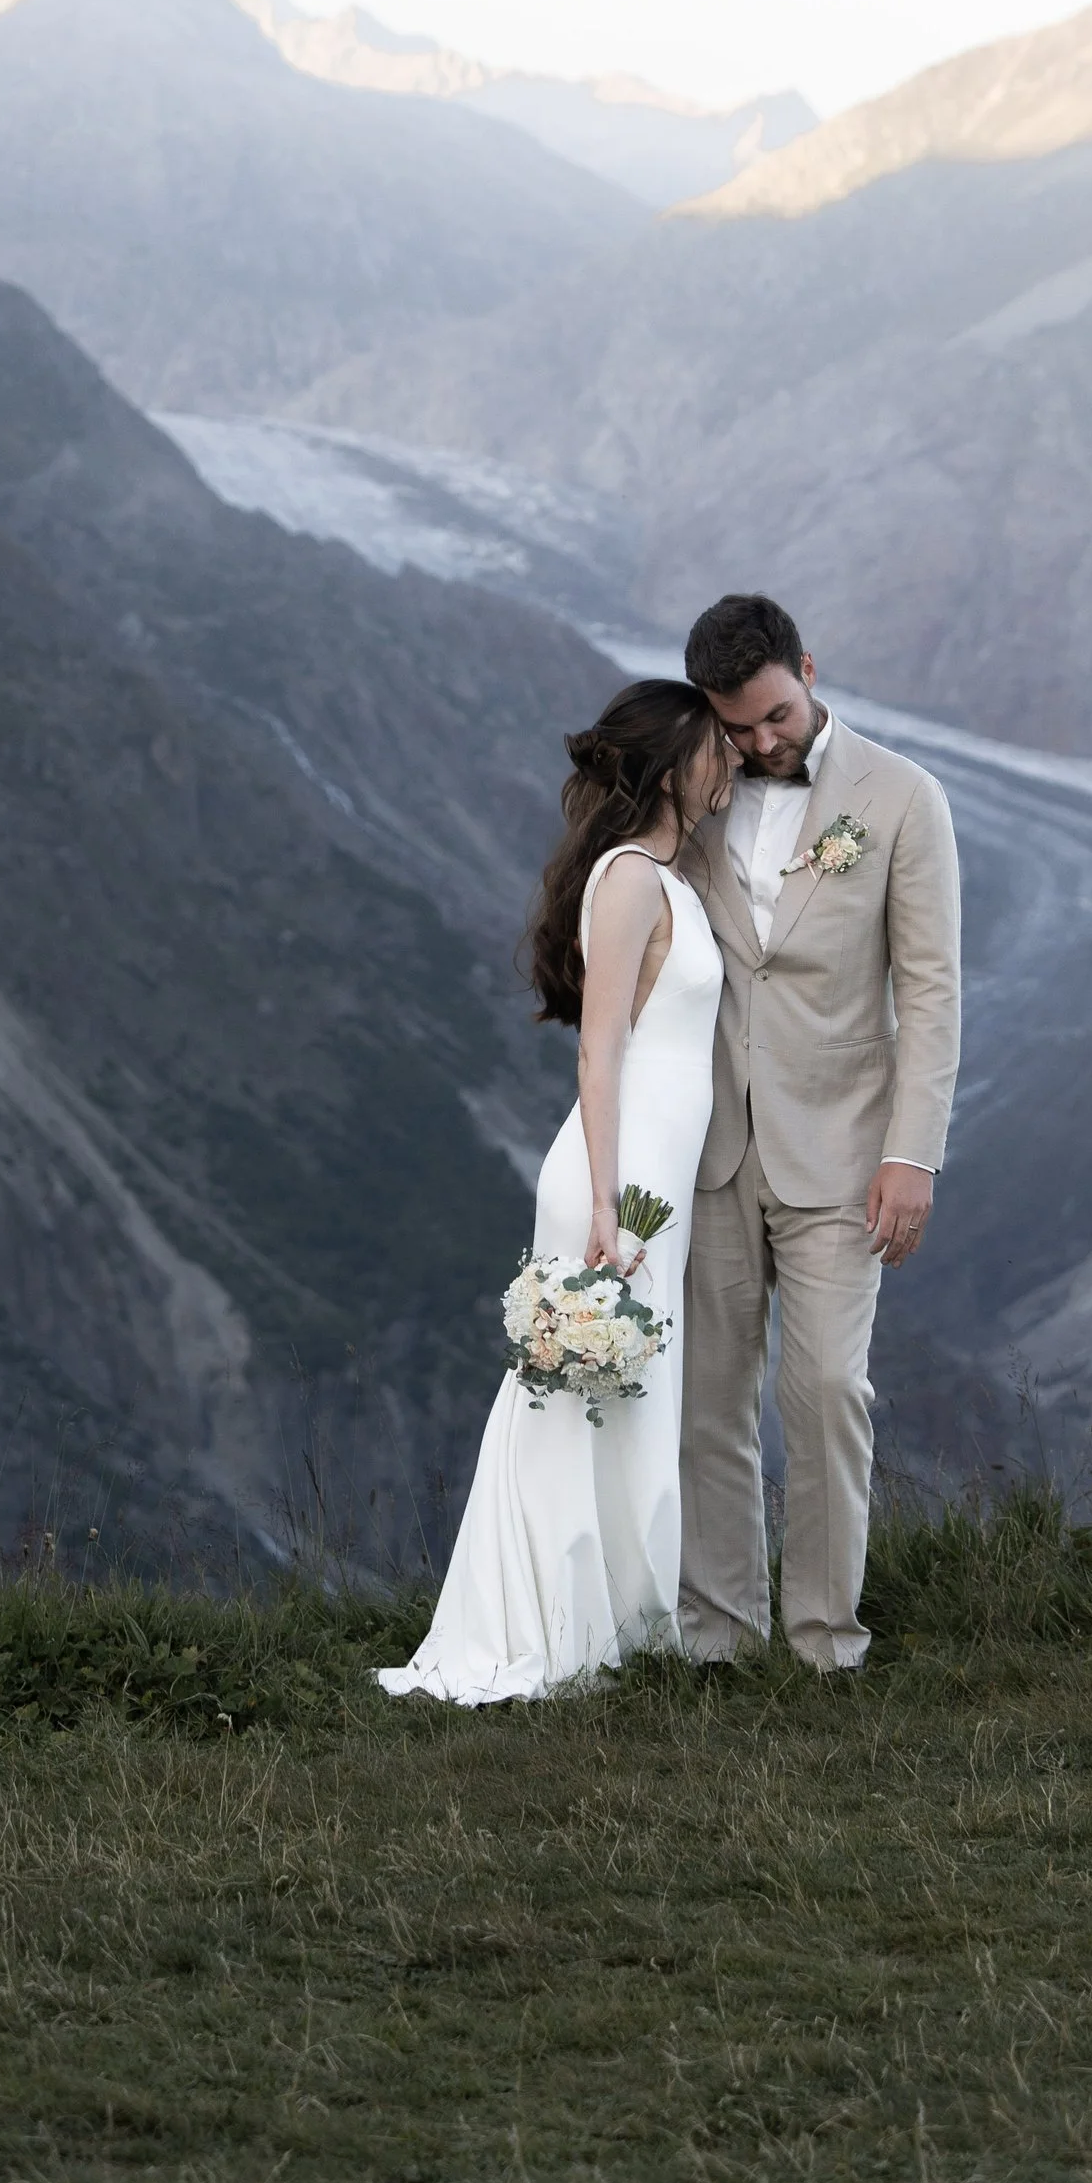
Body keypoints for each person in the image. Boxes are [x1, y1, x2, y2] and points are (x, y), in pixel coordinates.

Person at [377, 679, 731, 1706]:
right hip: (612, 1177)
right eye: (711, 751)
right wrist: (606, 1207)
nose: (725, 769)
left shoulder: (670, 872)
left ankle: (617, 1624)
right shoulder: (627, 877)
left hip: (651, 1174)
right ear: (670, 767)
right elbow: (602, 1047)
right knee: (573, 1399)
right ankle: (549, 1631)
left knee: (626, 1397)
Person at [676, 593, 962, 1672]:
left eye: (776, 717)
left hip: (846, 1152)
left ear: (807, 667)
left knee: (830, 1391)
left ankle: (823, 1646)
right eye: (738, 726)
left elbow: (931, 992)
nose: (759, 743)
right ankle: (715, 1637)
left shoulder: (901, 798)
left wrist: (912, 1152)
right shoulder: (691, 791)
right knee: (709, 1402)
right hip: (706, 1148)